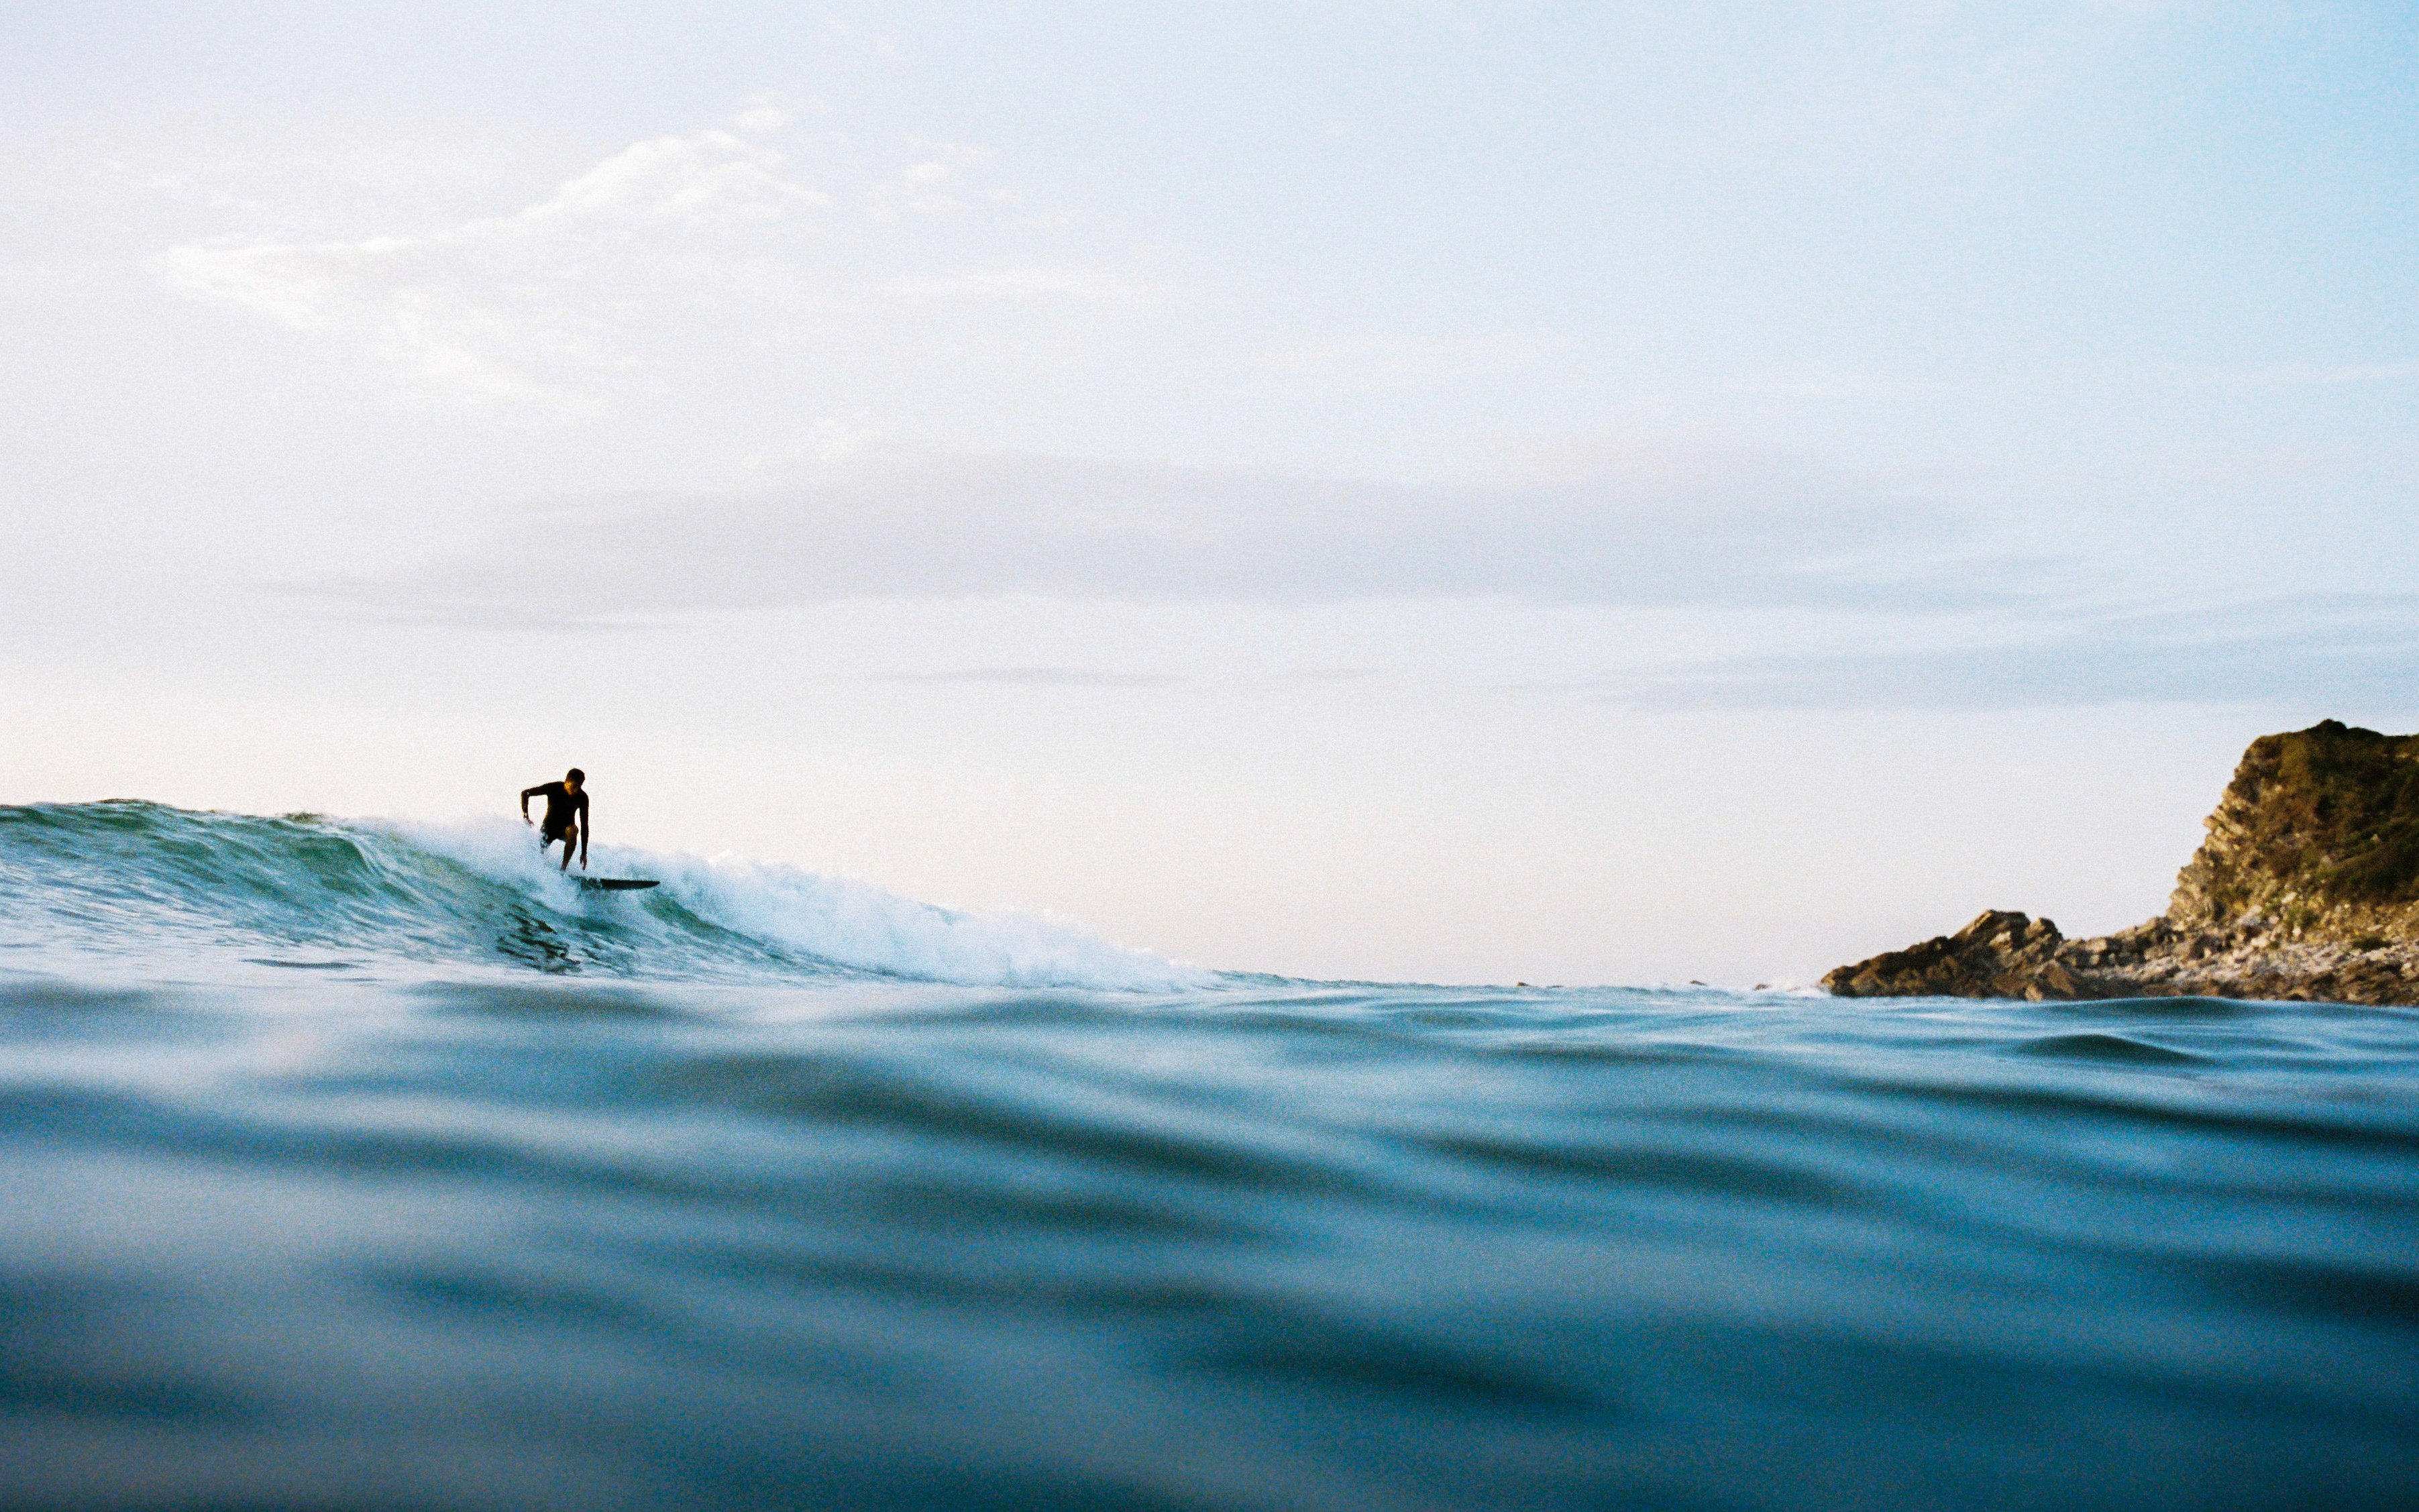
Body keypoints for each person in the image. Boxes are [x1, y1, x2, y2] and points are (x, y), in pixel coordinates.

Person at [520, 768, 590, 873]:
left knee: (573, 830)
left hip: (565, 830)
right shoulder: (554, 788)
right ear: (568, 781)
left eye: (579, 787)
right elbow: (526, 793)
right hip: (548, 828)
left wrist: (584, 853)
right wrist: (526, 816)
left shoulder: (582, 797)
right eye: (575, 786)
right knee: (538, 854)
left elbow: (584, 825)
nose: (576, 790)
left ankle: (563, 870)